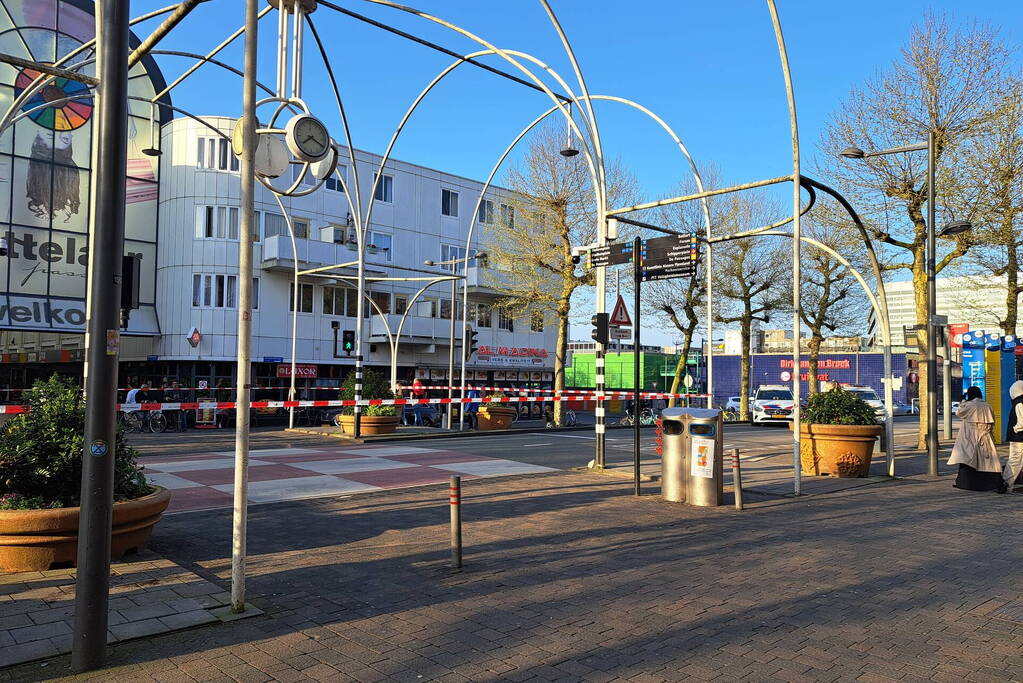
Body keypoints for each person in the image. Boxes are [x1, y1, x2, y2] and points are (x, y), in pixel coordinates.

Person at [948, 386, 1004, 492]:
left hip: (970, 436)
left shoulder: (970, 405)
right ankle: (993, 483)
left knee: (969, 459)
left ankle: (967, 483)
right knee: (989, 462)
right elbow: (992, 423)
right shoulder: (987, 405)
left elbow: (959, 412)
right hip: (986, 436)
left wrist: (963, 399)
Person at [1003, 380, 1023, 493]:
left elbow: (1021, 423)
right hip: (1019, 438)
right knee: (1016, 460)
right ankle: (1007, 483)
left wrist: (1015, 429)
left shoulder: (1019, 403)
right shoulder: (1020, 403)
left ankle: (1006, 484)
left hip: (1018, 438)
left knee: (1015, 460)